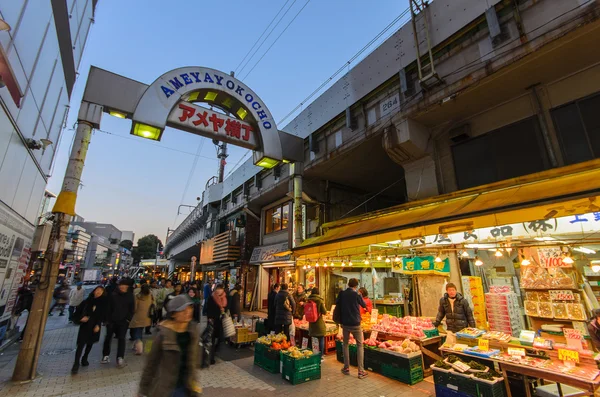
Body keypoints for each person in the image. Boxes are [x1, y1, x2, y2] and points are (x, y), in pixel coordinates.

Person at [138, 294, 202, 397]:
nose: (187, 312)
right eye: (182, 309)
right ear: (173, 314)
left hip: (188, 387)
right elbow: (150, 365)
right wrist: (142, 391)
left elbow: (195, 360)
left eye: (190, 307)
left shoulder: (193, 331)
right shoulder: (161, 334)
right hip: (167, 389)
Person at [335, 278, 368, 379]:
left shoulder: (342, 293)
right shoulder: (356, 294)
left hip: (345, 323)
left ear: (348, 284)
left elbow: (337, 304)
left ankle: (346, 368)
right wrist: (360, 296)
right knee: (359, 345)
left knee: (345, 344)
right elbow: (364, 304)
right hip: (356, 323)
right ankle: (361, 371)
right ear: (356, 286)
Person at [71, 286, 107, 374]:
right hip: (85, 326)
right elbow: (77, 313)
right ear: (94, 291)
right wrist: (81, 318)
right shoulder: (86, 302)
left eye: (101, 291)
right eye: (97, 290)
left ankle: (85, 357)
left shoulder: (103, 303)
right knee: (80, 345)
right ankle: (76, 363)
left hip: (95, 326)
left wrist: (98, 325)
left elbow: (102, 315)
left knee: (90, 343)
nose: (98, 292)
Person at [102, 279, 135, 368]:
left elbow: (132, 309)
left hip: (123, 322)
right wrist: (107, 320)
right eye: (121, 285)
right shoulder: (113, 295)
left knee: (121, 338)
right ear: (119, 286)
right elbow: (108, 308)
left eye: (125, 285)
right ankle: (105, 355)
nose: (123, 287)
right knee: (108, 338)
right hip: (111, 321)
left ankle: (120, 357)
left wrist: (128, 319)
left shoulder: (130, 296)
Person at [129, 284, 155, 354]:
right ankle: (136, 345)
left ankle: (139, 346)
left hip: (138, 316)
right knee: (140, 330)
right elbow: (153, 304)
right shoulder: (150, 295)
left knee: (137, 331)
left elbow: (135, 308)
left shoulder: (137, 296)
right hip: (147, 316)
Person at [205, 284, 227, 365]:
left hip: (220, 321)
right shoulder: (212, 297)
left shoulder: (224, 298)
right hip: (213, 321)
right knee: (212, 339)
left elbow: (226, 308)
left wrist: (224, 311)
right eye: (217, 289)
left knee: (220, 339)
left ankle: (214, 352)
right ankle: (211, 358)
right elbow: (208, 309)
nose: (219, 290)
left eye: (220, 289)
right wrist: (210, 318)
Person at [307, 287, 328, 359]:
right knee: (321, 338)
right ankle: (321, 355)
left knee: (314, 339)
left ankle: (315, 354)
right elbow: (324, 311)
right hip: (319, 322)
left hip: (311, 322)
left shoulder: (308, 300)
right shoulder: (319, 300)